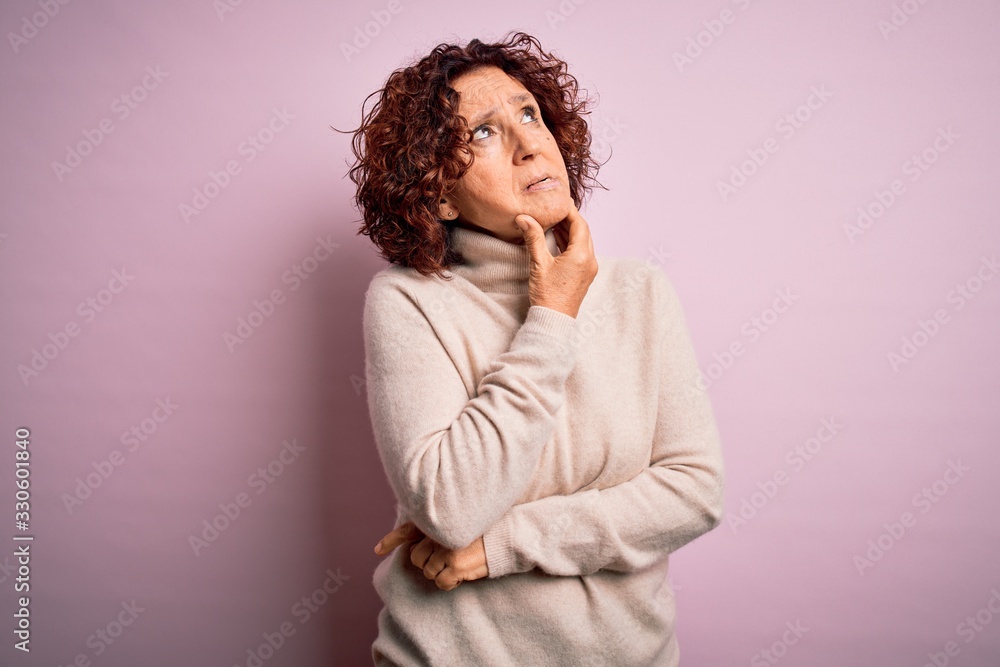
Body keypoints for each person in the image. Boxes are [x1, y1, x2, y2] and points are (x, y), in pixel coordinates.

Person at [346, 30, 726, 667]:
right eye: (484, 133)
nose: (529, 144)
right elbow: (449, 505)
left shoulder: (639, 292)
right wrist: (551, 316)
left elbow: (694, 493)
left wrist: (499, 545)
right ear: (438, 191)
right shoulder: (408, 301)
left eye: (529, 113)